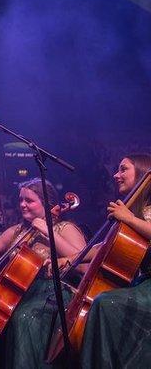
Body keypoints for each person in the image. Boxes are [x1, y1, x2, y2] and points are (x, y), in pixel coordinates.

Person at [78, 154, 151, 368]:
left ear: (142, 172)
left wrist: (127, 217)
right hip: (142, 285)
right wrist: (72, 258)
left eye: (123, 169)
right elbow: (108, 245)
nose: (116, 175)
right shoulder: (134, 212)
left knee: (104, 303)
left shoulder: (141, 212)